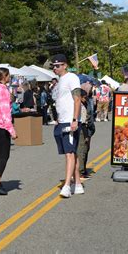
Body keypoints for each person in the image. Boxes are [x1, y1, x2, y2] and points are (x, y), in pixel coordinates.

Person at [51, 54, 84, 198]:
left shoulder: (72, 78)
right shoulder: (60, 81)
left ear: (65, 65)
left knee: (69, 154)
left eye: (58, 65)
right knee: (71, 153)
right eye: (53, 66)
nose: (55, 68)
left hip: (70, 120)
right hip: (62, 120)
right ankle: (77, 184)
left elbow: (77, 99)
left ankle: (66, 185)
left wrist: (75, 119)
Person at [77, 89, 95, 180]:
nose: (85, 99)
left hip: (86, 129)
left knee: (85, 150)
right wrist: (86, 135)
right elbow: (84, 121)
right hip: (83, 129)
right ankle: (80, 172)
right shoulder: (80, 106)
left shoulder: (85, 104)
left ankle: (82, 170)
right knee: (82, 151)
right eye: (84, 97)